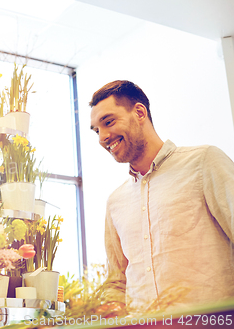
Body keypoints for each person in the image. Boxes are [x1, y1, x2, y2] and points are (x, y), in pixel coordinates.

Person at [89, 80, 234, 312]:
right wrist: (109, 307)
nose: (102, 137)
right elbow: (117, 282)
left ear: (139, 112)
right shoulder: (115, 202)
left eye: (109, 122)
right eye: (97, 130)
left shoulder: (204, 162)